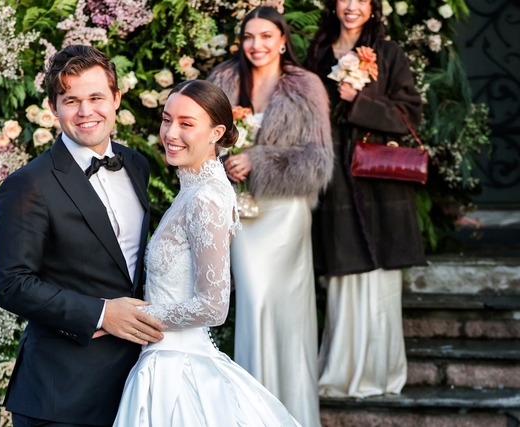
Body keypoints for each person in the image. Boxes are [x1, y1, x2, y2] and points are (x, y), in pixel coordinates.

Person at [0, 45, 165, 427]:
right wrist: (103, 312)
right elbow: (12, 285)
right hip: (61, 393)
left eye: (96, 97)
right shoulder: (27, 186)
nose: (86, 112)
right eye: (72, 100)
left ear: (116, 99)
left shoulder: (136, 165)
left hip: (136, 385)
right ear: (54, 107)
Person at [113, 79, 300, 426]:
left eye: (186, 124)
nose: (171, 132)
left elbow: (214, 306)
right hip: (164, 358)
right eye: (167, 119)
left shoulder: (206, 198)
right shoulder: (192, 189)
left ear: (216, 132)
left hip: (177, 368)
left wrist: (132, 318)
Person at [207, 6, 334, 426]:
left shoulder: (306, 86)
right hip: (241, 215)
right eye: (249, 37)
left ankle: (295, 413)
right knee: (254, 301)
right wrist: (223, 161)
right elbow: (197, 138)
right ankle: (254, 415)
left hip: (285, 215)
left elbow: (318, 161)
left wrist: (257, 159)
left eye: (265, 37)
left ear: (282, 40)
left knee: (289, 314)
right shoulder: (223, 81)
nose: (256, 45)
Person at [304, 0, 426, 398]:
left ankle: (382, 373)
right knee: (344, 277)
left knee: (381, 280)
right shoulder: (318, 55)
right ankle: (341, 373)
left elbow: (410, 119)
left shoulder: (390, 54)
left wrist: (359, 100)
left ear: (373, 8)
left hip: (381, 183)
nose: (352, 5)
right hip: (334, 181)